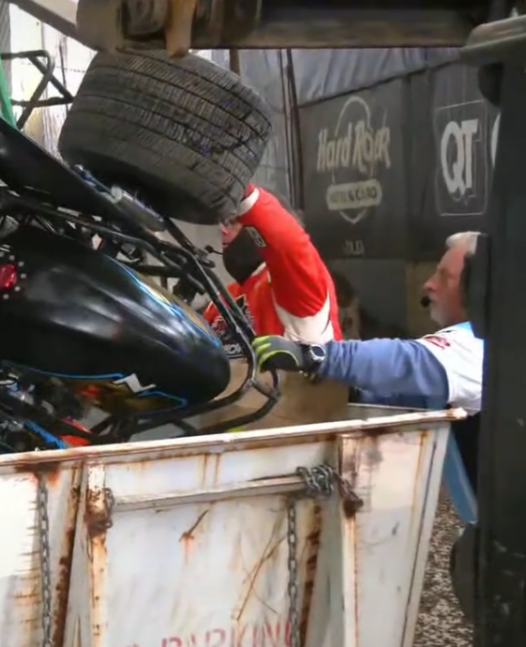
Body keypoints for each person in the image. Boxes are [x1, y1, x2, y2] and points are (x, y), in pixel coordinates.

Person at [251, 231, 484, 521]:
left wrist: (317, 356)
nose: (428, 284)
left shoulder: (480, 345)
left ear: (479, 289)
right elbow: (414, 395)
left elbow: (407, 362)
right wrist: (352, 391)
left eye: (444, 277)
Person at [203, 185, 342, 357]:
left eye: (233, 221)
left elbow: (289, 243)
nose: (223, 231)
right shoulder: (226, 297)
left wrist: (238, 187)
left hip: (287, 383)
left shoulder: (298, 284)